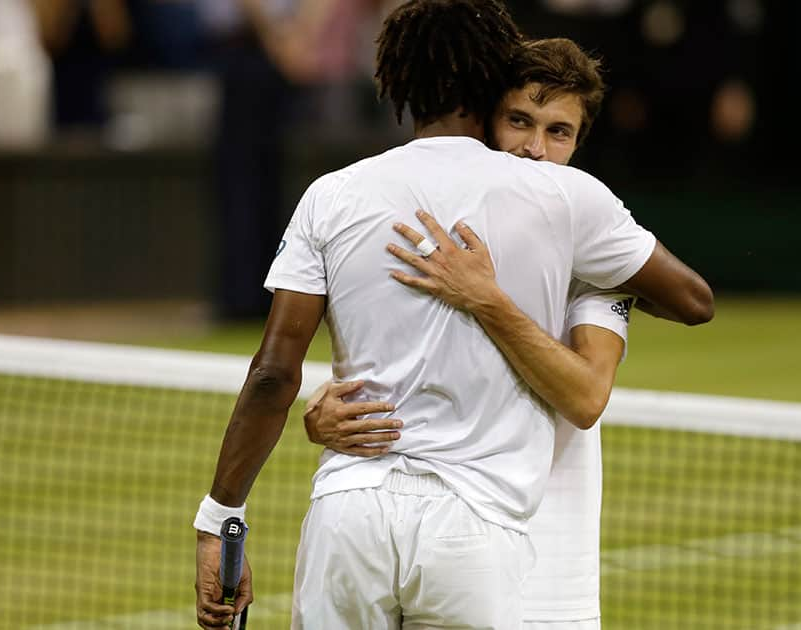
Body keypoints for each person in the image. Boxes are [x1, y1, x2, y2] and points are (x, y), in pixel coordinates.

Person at [193, 2, 713, 628]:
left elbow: (275, 374)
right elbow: (691, 301)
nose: (536, 145)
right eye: (522, 119)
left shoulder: (330, 194)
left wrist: (219, 518)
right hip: (474, 531)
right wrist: (591, 275)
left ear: (394, 80)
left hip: (349, 516)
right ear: (493, 78)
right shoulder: (564, 196)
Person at [302, 37, 667, 629]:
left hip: (553, 574)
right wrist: (320, 409)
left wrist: (488, 298)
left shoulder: (592, 259)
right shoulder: (429, 233)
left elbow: (585, 397)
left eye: (559, 133)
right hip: (448, 541)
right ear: (486, 119)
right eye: (519, 121)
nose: (534, 149)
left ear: (580, 142)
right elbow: (401, 361)